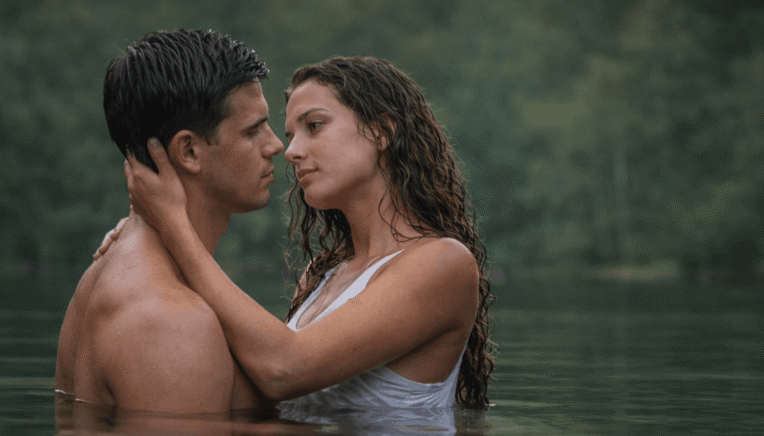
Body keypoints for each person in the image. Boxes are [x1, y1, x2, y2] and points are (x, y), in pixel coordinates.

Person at [125, 56, 494, 409]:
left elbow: (284, 369)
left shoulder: (443, 263)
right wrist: (140, 237)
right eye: (291, 135)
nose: (291, 151)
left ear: (381, 132)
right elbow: (264, 382)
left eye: (314, 126)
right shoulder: (323, 274)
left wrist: (173, 225)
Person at [55, 29, 284, 412]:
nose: (276, 144)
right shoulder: (172, 324)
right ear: (189, 151)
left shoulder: (100, 278)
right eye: (252, 131)